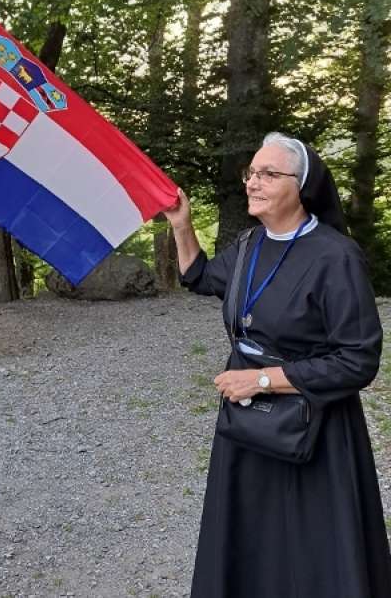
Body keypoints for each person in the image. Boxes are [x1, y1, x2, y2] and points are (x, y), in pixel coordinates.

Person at [163, 132, 391, 597]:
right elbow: (201, 278)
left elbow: (359, 360)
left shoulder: (336, 257)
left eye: (269, 173)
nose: (254, 182)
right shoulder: (249, 245)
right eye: (252, 172)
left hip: (316, 429)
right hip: (250, 426)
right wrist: (181, 225)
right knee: (251, 545)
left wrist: (264, 379)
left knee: (314, 554)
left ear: (302, 186)